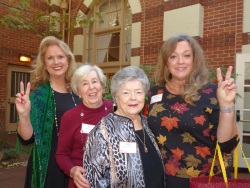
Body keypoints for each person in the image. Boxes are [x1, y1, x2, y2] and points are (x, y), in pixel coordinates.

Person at [147, 34, 239, 188]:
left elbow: (228, 146)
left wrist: (226, 106)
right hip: (164, 180)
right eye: (173, 56)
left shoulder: (212, 93)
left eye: (186, 55)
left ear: (195, 60)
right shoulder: (155, 93)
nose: (180, 61)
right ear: (166, 61)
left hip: (205, 181)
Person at [15, 36, 82, 188]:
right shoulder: (38, 96)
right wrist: (24, 115)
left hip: (78, 164)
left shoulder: (79, 91)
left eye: (60, 57)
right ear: (44, 64)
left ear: (68, 60)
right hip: (49, 167)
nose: (56, 62)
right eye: (50, 58)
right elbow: (27, 139)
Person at [83, 66, 165, 188]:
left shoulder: (149, 124)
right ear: (116, 97)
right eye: (126, 92)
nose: (133, 97)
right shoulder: (102, 132)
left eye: (138, 92)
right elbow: (94, 182)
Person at [56, 64, 113, 188]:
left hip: (113, 182)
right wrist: (72, 170)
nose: (91, 87)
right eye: (85, 84)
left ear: (102, 86)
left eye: (94, 81)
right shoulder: (70, 117)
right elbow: (61, 154)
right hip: (83, 183)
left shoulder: (116, 110)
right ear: (79, 92)